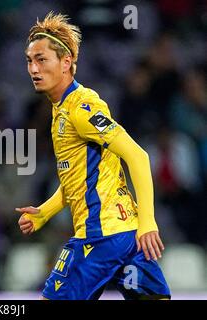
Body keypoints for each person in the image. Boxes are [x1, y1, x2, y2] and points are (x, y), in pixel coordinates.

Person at [16, 12, 170, 300]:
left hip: (101, 237)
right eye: (29, 60)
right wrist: (45, 212)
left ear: (66, 63)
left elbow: (138, 156)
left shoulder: (81, 109)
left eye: (41, 59)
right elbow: (80, 176)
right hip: (127, 235)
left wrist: (149, 221)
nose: (33, 68)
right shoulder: (60, 109)